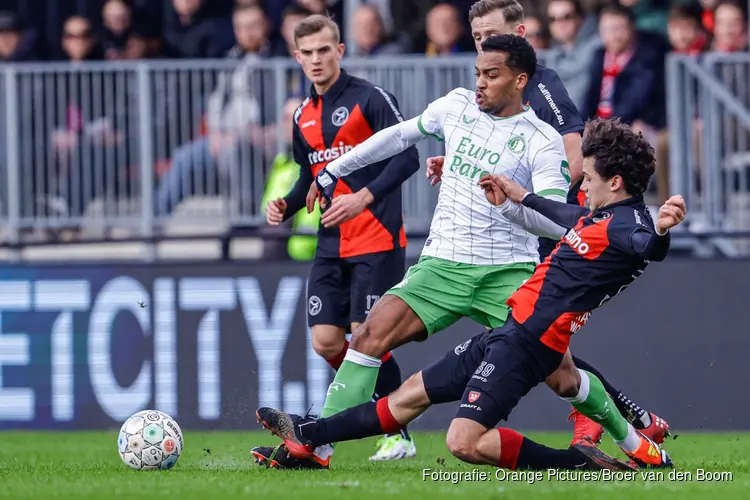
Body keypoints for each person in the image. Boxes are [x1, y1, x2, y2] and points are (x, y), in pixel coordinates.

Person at [257, 32, 630, 470]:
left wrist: (511, 203)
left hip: (508, 273)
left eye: (492, 75)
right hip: (443, 265)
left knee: (563, 377)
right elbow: (397, 137)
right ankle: (316, 447)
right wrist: (334, 171)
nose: (481, 83)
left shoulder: (542, 139)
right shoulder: (455, 106)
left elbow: (553, 218)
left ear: (520, 80)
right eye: (478, 73)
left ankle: (635, 439)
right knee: (368, 337)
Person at [425, 0, 671, 444]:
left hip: (543, 224)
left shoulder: (543, 83)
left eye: (491, 33)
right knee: (542, 344)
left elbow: (574, 153)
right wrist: (459, 163)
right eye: (477, 36)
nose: (483, 43)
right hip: (519, 219)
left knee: (537, 340)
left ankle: (612, 420)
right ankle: (626, 420)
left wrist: (539, 203)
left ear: (518, 33)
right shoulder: (493, 88)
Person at [256, 14, 420, 468]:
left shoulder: (371, 98)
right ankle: (358, 419)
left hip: (377, 238)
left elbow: (407, 156)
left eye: (323, 50)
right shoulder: (302, 115)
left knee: (370, 338)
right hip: (330, 242)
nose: (315, 60)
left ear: (340, 50)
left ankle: (394, 432)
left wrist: (363, 198)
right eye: (306, 53)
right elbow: (310, 174)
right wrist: (285, 207)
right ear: (296, 57)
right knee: (327, 341)